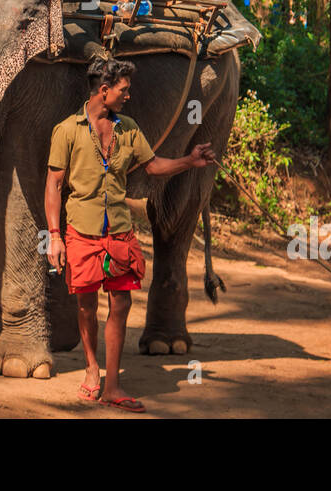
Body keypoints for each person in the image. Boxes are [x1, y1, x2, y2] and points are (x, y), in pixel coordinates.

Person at [44, 57, 217, 413]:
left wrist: (189, 161)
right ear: (103, 91)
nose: (128, 95)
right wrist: (55, 235)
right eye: (123, 90)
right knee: (87, 304)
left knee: (121, 303)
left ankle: (111, 384)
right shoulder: (67, 130)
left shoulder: (129, 129)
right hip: (82, 230)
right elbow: (54, 184)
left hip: (119, 231)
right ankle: (92, 369)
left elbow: (153, 166)